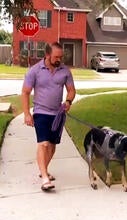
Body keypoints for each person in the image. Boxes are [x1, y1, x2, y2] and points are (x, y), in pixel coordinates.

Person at [21, 42, 76, 191]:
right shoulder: (35, 71)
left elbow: (71, 90)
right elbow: (25, 92)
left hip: (57, 114)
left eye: (61, 57)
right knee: (44, 144)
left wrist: (68, 101)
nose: (59, 59)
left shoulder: (65, 71)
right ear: (47, 55)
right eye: (56, 56)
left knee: (52, 147)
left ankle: (43, 169)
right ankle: (45, 178)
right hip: (41, 112)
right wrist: (27, 114)